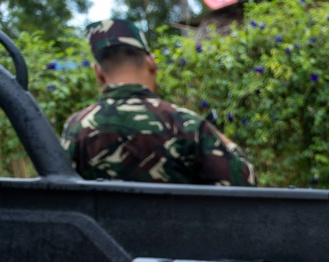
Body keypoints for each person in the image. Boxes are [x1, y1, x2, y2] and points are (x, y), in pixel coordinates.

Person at [62, 19, 256, 186]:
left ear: (98, 73)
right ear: (151, 62)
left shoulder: (76, 128)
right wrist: (221, 139)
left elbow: (62, 195)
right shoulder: (187, 124)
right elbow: (243, 183)